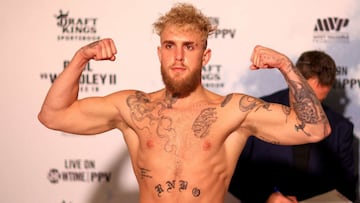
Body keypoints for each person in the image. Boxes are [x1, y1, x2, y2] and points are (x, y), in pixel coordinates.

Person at [38, 3, 331, 203]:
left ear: (205, 56)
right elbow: (54, 115)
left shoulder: (231, 111)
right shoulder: (134, 108)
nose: (178, 56)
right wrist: (80, 59)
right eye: (170, 46)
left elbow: (314, 129)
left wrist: (285, 66)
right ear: (160, 53)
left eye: (189, 46)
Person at [229, 50, 357, 203]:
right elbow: (232, 172)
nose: (310, 107)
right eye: (305, 97)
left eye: (317, 102)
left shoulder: (341, 128)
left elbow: (346, 187)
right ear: (293, 81)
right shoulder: (258, 112)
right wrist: (267, 197)